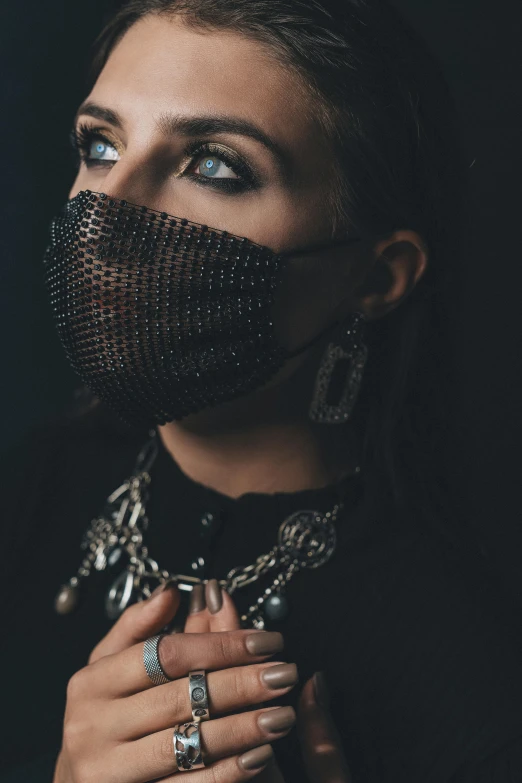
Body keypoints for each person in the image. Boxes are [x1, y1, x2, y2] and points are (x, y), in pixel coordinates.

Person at [3, 1, 522, 781]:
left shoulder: (469, 673)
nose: (109, 212)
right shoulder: (30, 485)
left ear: (376, 277)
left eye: (214, 166)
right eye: (101, 145)